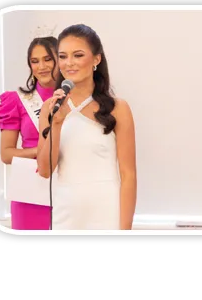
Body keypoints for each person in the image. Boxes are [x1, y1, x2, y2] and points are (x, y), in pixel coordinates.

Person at [37, 24, 137, 229]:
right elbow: (45, 170)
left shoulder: (118, 108)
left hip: (107, 213)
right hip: (66, 213)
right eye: (63, 56)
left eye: (78, 55)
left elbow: (128, 175)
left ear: (96, 59)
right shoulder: (50, 108)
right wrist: (56, 123)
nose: (69, 63)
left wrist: (125, 231)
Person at [0, 35, 59, 230]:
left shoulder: (75, 99)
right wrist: (41, 149)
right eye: (35, 61)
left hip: (68, 187)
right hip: (30, 191)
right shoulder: (17, 100)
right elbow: (6, 154)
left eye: (48, 59)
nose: (42, 66)